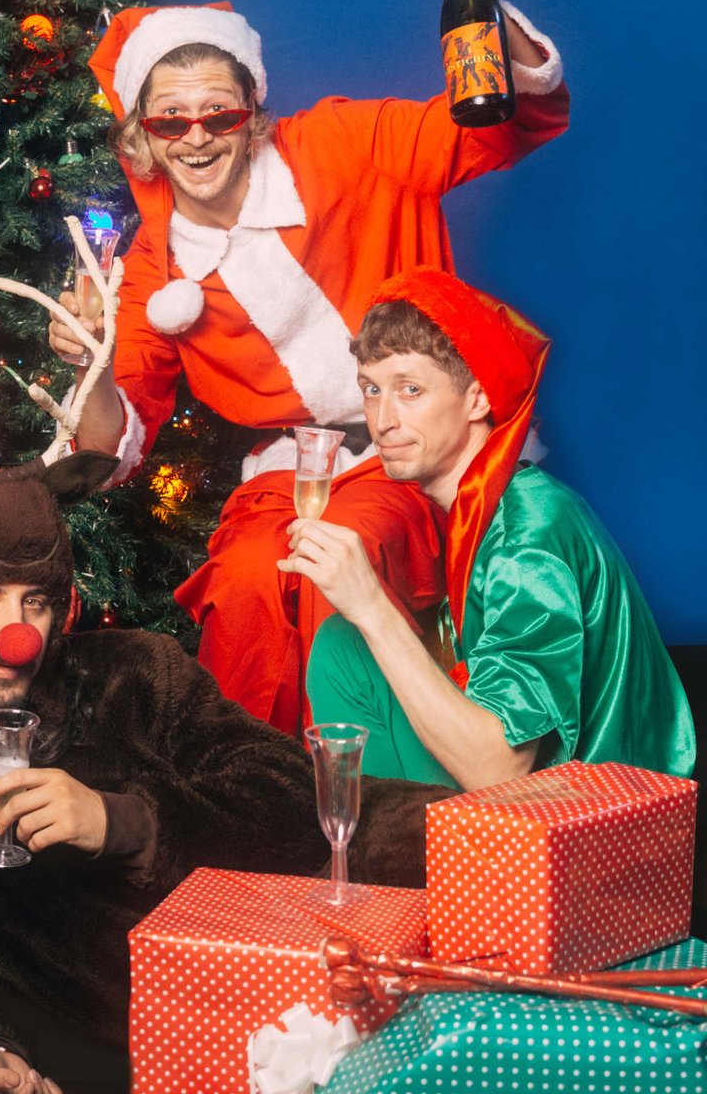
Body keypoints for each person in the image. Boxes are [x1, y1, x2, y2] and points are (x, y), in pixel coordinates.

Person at [51, 0, 570, 733]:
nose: (196, 138)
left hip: (417, 453)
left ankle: (367, 805)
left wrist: (482, 6)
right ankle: (246, 801)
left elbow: (495, 129)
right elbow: (117, 447)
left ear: (252, 113)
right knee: (250, 581)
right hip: (289, 471)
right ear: (141, 136)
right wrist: (93, 363)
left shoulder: (340, 144)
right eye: (170, 120)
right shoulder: (150, 267)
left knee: (341, 568)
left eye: (218, 115)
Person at [0, 449, 439, 1094]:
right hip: (123, 1058)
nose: (16, 634)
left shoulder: (137, 675)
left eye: (36, 602)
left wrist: (126, 823)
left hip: (294, 994)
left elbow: (293, 796)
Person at [290, 267, 695, 788]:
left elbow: (500, 767)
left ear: (478, 399)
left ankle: (396, 851)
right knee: (344, 645)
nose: (383, 419)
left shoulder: (531, 535)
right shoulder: (480, 509)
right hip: (539, 796)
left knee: (357, 633)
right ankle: (386, 847)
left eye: (410, 389)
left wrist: (371, 604)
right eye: (371, 390)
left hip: (590, 811)